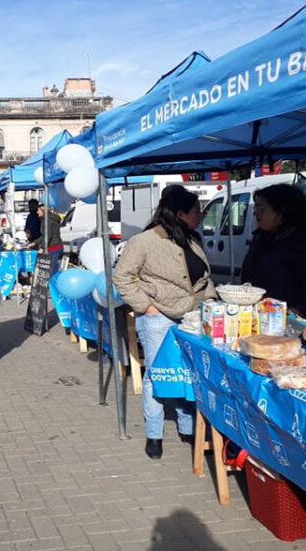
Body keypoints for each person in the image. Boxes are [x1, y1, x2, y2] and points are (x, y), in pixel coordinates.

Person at [113, 185, 216, 460]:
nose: (201, 215)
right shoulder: (145, 241)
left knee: (185, 374)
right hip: (159, 317)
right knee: (157, 377)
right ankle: (154, 434)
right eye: (196, 211)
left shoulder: (192, 239)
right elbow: (122, 276)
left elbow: (203, 278)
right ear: (180, 213)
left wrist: (211, 300)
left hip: (192, 318)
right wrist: (146, 307)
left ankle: (188, 427)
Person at [241, 184, 306, 319]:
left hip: (303, 321)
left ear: (282, 212)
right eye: (256, 207)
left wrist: (295, 315)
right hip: (264, 316)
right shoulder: (262, 237)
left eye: (261, 208)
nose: (255, 213)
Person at [28, 203, 63, 274]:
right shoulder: (50, 219)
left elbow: (47, 235)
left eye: (38, 210)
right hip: (58, 246)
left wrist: (42, 248)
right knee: (54, 267)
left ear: (43, 210)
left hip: (53, 247)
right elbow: (44, 235)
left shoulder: (47, 221)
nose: (37, 212)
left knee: (52, 269)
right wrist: (35, 243)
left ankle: (53, 283)